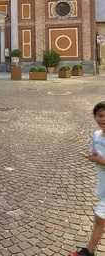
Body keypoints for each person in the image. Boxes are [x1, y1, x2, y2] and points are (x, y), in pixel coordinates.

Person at [70, 102, 105, 256]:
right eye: (100, 115)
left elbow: (100, 159)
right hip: (102, 182)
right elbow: (94, 154)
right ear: (95, 117)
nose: (103, 119)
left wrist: (100, 161)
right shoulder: (96, 134)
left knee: (99, 219)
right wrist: (91, 157)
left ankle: (88, 252)